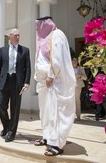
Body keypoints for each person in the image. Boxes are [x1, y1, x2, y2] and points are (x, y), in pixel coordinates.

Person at [33, 17, 76, 156]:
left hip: (54, 81)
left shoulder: (57, 35)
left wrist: (51, 75)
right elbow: (39, 58)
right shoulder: (41, 39)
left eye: (40, 25)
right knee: (45, 112)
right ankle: (47, 136)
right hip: (43, 82)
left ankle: (57, 144)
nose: (38, 28)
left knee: (56, 113)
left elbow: (56, 58)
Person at [0, 28, 31, 142]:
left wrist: (27, 82)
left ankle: (11, 132)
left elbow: (28, 68)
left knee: (15, 109)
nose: (18, 37)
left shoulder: (25, 50)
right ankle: (7, 126)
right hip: (5, 81)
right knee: (0, 105)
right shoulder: (2, 50)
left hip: (17, 82)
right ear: (10, 37)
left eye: (19, 35)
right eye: (15, 35)